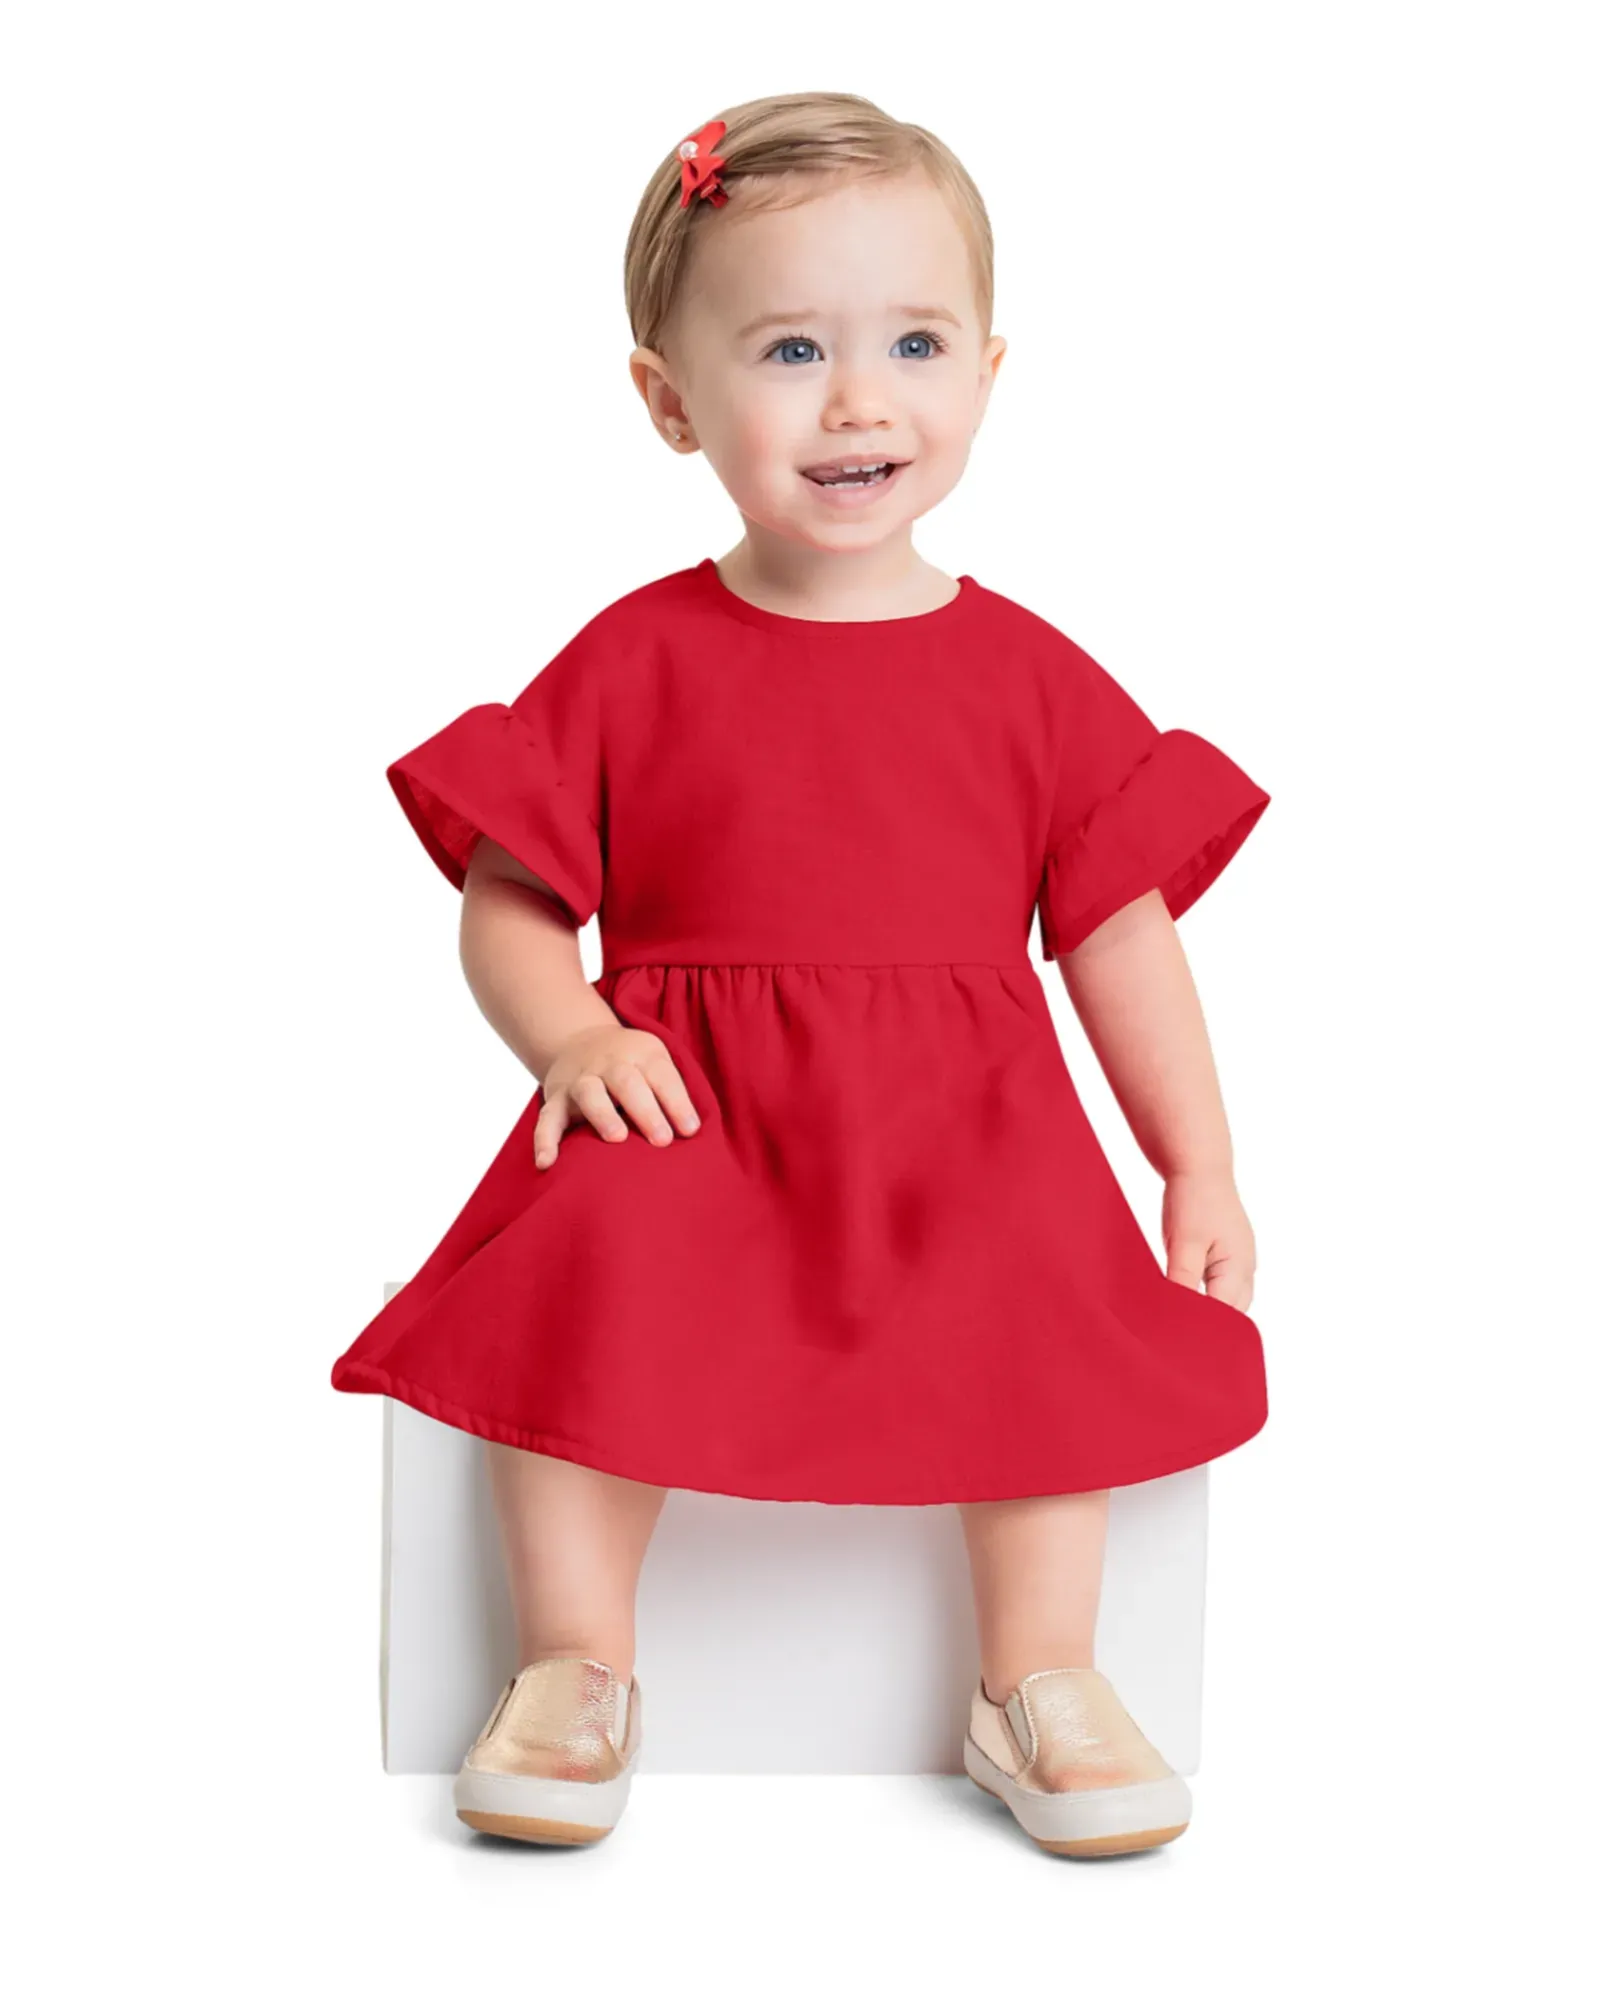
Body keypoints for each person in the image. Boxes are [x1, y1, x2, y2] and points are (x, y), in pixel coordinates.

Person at [330, 91, 1272, 1859]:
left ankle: (1038, 1675)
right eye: (790, 350)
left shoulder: (1027, 673)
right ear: (670, 400)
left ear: (988, 370)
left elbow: (1119, 932)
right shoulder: (636, 657)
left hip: (964, 1123)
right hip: (694, 1109)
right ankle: (574, 1661)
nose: (858, 401)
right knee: (586, 1273)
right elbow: (509, 893)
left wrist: (1195, 1162)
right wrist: (570, 1035)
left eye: (914, 343)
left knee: (1041, 1305)